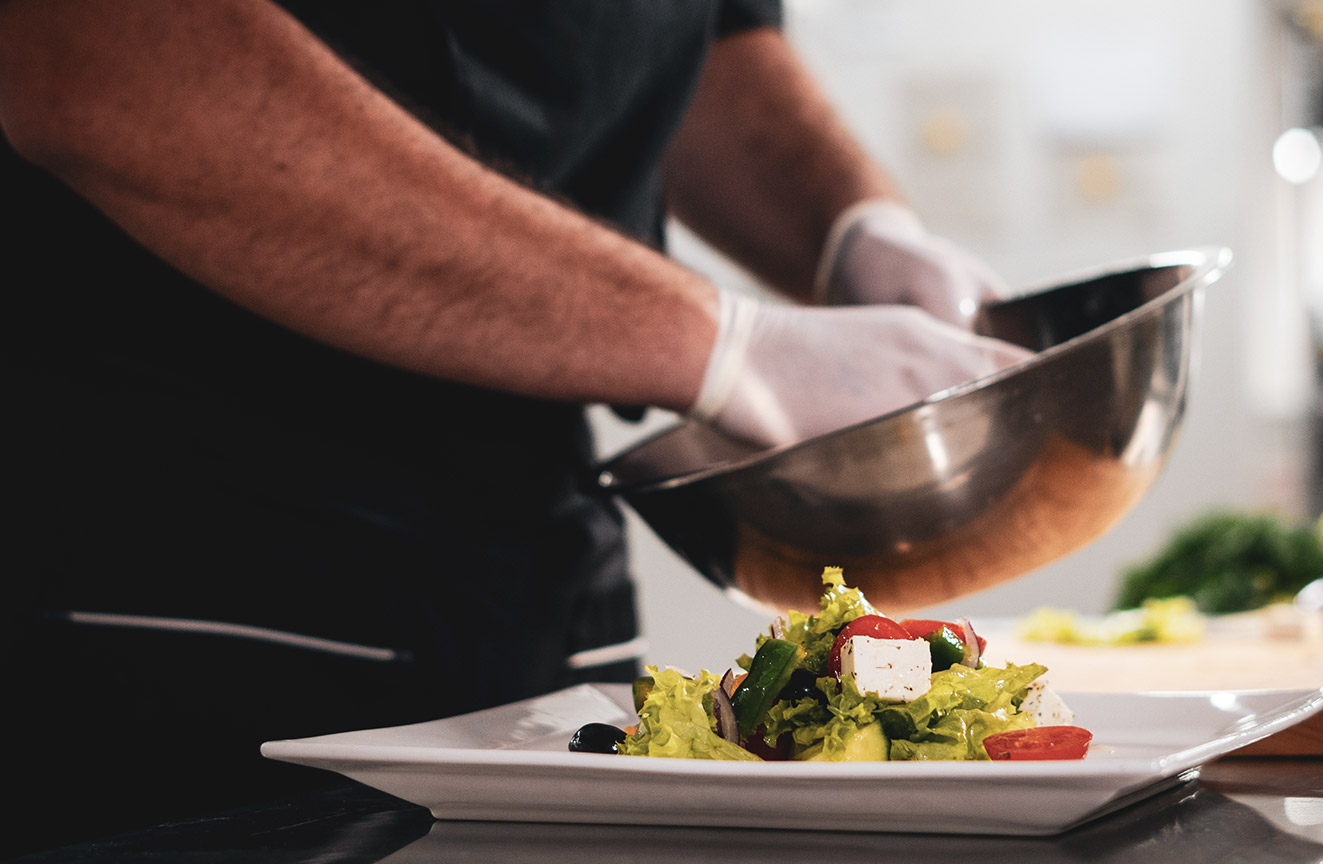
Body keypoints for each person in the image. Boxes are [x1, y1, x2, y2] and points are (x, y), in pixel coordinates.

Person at [0, 0, 1029, 853]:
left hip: (538, 587)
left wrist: (854, 228)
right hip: (174, 586)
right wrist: (726, 345)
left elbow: (682, 37)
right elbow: (102, 57)